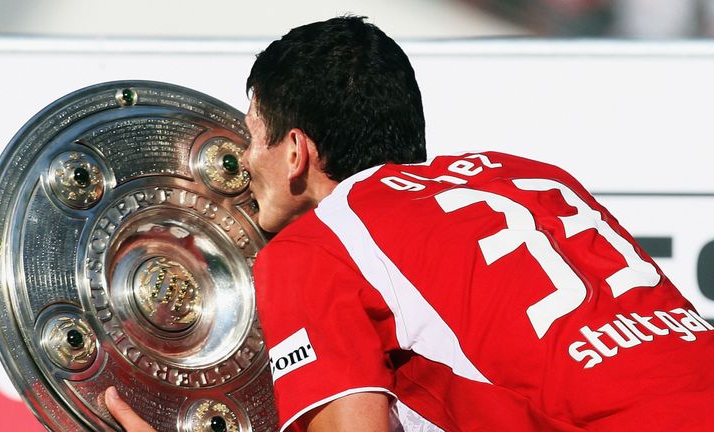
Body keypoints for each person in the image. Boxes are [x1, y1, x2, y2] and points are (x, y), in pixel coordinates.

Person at [106, 15, 714, 432]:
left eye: (252, 132)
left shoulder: (315, 246)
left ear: (295, 153)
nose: (245, 158)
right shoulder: (531, 175)